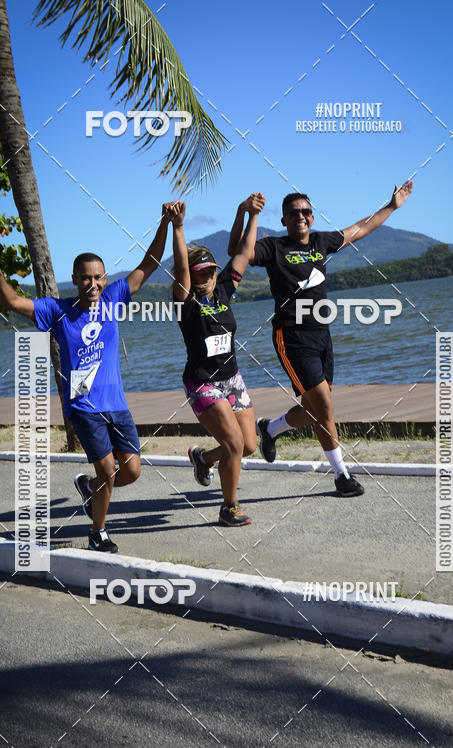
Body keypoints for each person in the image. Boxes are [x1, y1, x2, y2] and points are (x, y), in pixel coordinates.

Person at [0, 207, 174, 553]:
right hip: (83, 406)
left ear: (105, 277)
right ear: (75, 278)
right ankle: (98, 533)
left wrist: (166, 223)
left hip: (117, 406)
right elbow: (11, 301)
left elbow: (149, 264)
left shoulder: (113, 299)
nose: (93, 284)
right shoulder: (57, 310)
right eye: (86, 278)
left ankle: (88, 487)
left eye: (99, 277)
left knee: (132, 472)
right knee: (110, 472)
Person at [228, 182, 413, 497]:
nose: (301, 216)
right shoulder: (273, 247)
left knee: (314, 411)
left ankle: (269, 430)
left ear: (312, 217)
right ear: (284, 219)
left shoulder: (321, 241)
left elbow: (360, 229)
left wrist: (391, 206)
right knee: (325, 407)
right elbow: (237, 251)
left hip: (322, 337)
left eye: (306, 211)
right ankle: (342, 476)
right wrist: (246, 213)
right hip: (292, 338)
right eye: (294, 213)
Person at [168, 194, 264, 526]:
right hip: (202, 381)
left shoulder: (223, 289)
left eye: (211, 270)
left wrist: (250, 215)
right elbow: (181, 267)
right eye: (201, 272)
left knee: (248, 446)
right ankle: (229, 507)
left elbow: (243, 252)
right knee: (234, 442)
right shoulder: (185, 302)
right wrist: (178, 228)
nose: (208, 276)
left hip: (232, 379)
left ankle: (204, 458)